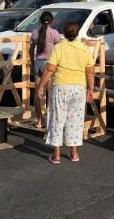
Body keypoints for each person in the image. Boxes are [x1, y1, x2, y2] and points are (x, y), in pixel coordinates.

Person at [36, 22, 95, 164]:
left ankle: (56, 155)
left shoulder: (59, 47)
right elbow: (90, 72)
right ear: (78, 33)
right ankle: (73, 153)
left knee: (57, 118)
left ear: (64, 33)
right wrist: (91, 89)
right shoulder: (84, 49)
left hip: (60, 87)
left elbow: (50, 69)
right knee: (75, 120)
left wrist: (41, 86)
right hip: (79, 88)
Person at [30, 11, 62, 128]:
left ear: (40, 21)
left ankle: (40, 120)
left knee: (38, 93)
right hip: (49, 64)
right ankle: (50, 122)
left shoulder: (35, 33)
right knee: (50, 94)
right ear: (52, 21)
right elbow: (59, 49)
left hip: (38, 63)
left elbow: (31, 49)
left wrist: (33, 63)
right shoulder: (54, 33)